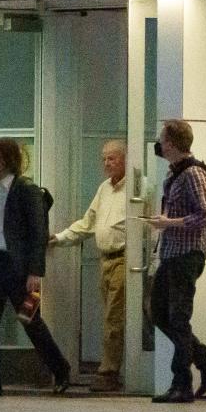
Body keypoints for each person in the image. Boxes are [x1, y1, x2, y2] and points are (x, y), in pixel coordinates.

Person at [0, 140, 71, 396]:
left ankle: (61, 368)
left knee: (30, 321)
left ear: (8, 159)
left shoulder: (27, 189)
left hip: (20, 270)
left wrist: (35, 272)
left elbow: (38, 233)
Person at [144, 119, 206, 403]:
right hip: (171, 255)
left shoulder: (193, 174)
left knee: (178, 318)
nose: (158, 143)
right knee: (159, 313)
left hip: (187, 255)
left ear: (172, 143)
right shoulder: (174, 173)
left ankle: (182, 383)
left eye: (162, 138)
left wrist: (169, 222)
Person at [50, 140, 128, 392]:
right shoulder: (104, 189)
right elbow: (88, 223)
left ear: (126, 159)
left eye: (112, 159)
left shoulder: (138, 188)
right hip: (106, 260)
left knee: (114, 318)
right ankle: (112, 368)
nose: (106, 163)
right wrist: (59, 238)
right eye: (104, 159)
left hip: (126, 259)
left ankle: (109, 372)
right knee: (111, 317)